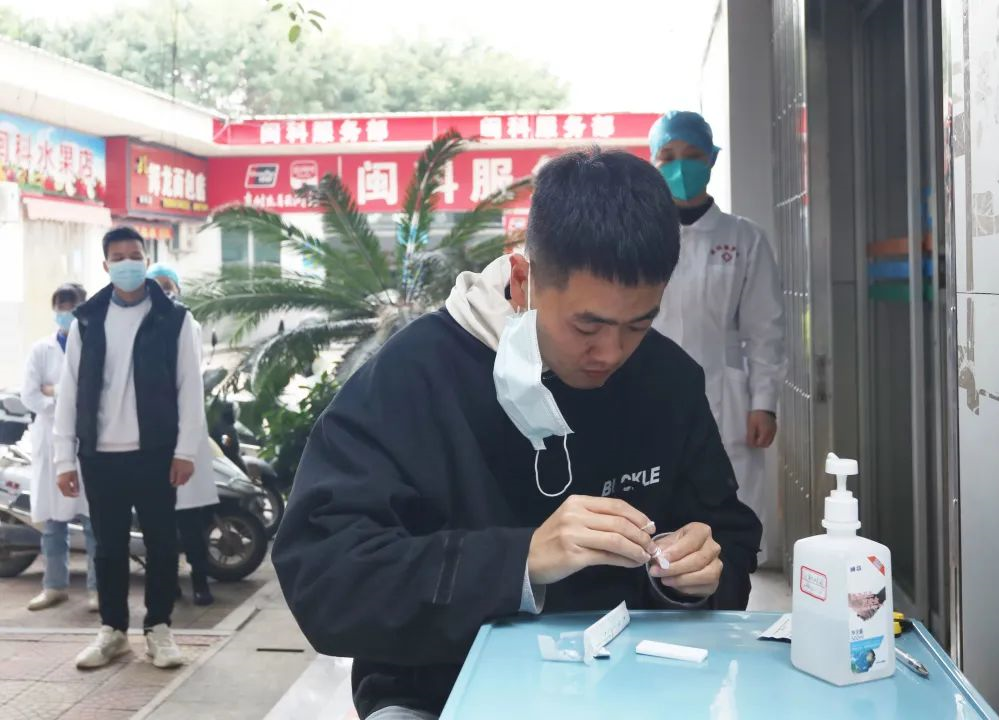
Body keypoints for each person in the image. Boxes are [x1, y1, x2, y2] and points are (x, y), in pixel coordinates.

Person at [273, 149, 763, 719]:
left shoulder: (668, 379)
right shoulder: (415, 377)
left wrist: (693, 578)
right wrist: (519, 562)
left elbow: (729, 540)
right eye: (587, 325)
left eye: (638, 324)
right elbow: (325, 577)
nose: (610, 354)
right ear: (524, 279)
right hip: (437, 690)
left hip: (631, 684)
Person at [53, 227, 203, 670]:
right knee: (109, 547)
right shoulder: (87, 319)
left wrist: (186, 450)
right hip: (100, 455)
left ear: (146, 259)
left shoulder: (174, 319)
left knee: (161, 543)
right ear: (105, 265)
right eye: (118, 258)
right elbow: (69, 391)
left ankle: (159, 628)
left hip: (156, 452)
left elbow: (189, 387)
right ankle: (113, 631)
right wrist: (64, 458)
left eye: (134, 255)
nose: (127, 264)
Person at [649, 111, 786, 564]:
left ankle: (734, 581)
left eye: (692, 155)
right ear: (653, 162)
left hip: (726, 395)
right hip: (650, 387)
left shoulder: (744, 238)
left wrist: (764, 402)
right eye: (668, 156)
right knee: (656, 502)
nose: (680, 166)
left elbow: (765, 328)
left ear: (711, 159)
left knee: (730, 506)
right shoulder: (642, 236)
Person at [21, 283, 99, 612]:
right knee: (53, 524)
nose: (65, 313)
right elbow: (30, 395)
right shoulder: (41, 349)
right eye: (60, 307)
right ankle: (54, 586)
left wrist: (55, 391)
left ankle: (98, 589)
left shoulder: (96, 344)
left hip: (88, 441)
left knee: (94, 521)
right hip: (52, 441)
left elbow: (97, 392)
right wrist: (65, 400)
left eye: (71, 306)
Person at [147, 263, 218, 607]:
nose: (164, 291)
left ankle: (200, 581)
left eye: (169, 285)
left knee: (190, 521)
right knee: (160, 524)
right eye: (157, 285)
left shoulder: (188, 323)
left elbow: (188, 381)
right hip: (153, 436)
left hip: (186, 433)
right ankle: (169, 583)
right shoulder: (140, 325)